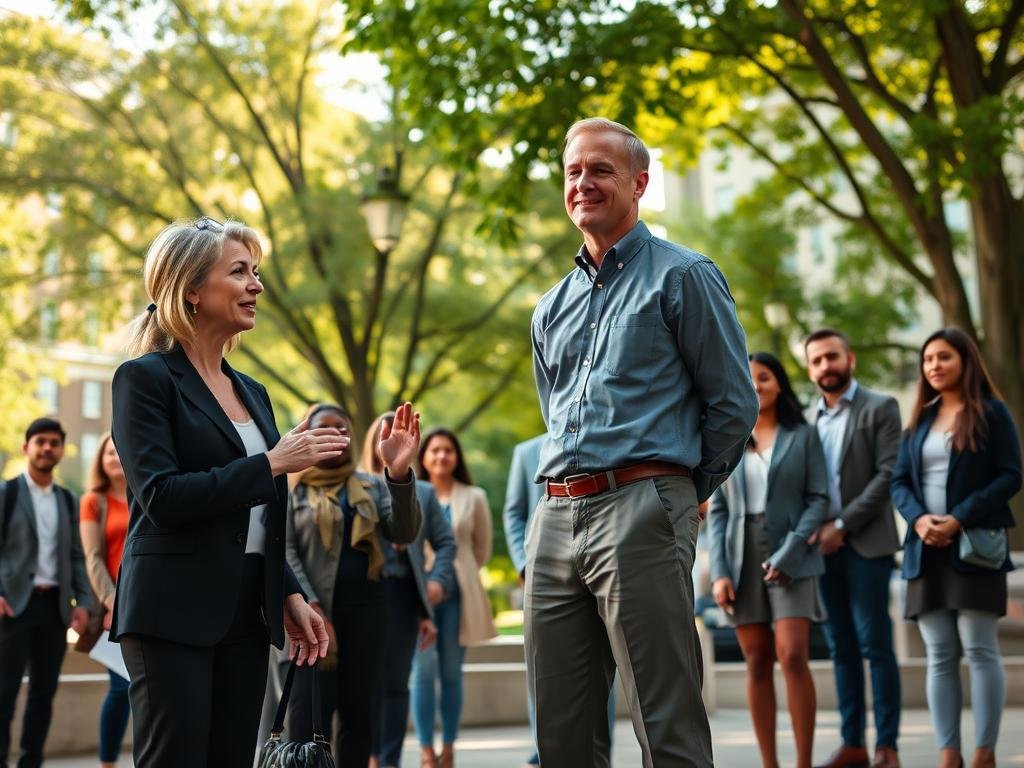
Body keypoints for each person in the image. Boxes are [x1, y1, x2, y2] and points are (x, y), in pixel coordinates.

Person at [528, 117, 758, 768]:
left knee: (666, 721)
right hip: (554, 514)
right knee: (560, 732)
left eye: (601, 170)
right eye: (573, 172)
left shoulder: (684, 275)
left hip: (643, 506)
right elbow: (555, 414)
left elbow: (734, 404)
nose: (583, 183)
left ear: (640, 183)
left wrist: (676, 493)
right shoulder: (550, 306)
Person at [110, 216, 343, 768]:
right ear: (191, 288)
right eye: (239, 272)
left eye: (255, 272)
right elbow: (161, 498)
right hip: (172, 609)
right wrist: (271, 463)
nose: (256, 286)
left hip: (246, 609)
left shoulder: (254, 392)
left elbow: (256, 518)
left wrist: (287, 592)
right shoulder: (144, 380)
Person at [891, 328, 1021, 768]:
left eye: (943, 357)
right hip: (925, 548)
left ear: (965, 360)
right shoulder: (920, 419)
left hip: (974, 546)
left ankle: (984, 752)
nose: (934, 366)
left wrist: (959, 516)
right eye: (928, 359)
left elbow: (1010, 475)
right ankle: (950, 754)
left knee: (980, 647)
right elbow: (899, 482)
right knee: (940, 654)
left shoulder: (992, 412)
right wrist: (921, 519)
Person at [281, 402, 422, 766]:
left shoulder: (372, 486)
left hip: (368, 617)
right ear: (308, 435)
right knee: (307, 722)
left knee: (359, 720)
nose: (337, 435)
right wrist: (309, 605)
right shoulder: (291, 489)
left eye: (343, 429)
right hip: (309, 619)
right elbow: (284, 550)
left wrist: (400, 470)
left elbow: (404, 531)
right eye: (325, 428)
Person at [708, 352, 829, 768]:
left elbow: (819, 498)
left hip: (795, 553)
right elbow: (719, 511)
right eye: (749, 377)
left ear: (779, 383)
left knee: (792, 653)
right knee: (757, 659)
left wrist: (792, 550)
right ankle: (770, 764)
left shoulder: (804, 435)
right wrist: (720, 572)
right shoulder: (728, 438)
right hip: (741, 555)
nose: (756, 384)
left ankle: (803, 763)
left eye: (764, 377)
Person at [803, 328, 903, 768]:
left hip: (866, 544)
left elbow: (887, 475)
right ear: (810, 370)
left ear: (850, 358)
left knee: (875, 644)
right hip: (821, 551)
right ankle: (852, 745)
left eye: (832, 356)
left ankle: (887, 746)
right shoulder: (806, 420)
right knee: (840, 647)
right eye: (817, 360)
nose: (826, 365)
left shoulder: (881, 407)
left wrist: (841, 525)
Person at [503, 433, 616, 767]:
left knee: (601, 665)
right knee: (544, 669)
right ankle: (545, 748)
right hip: (543, 568)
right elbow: (513, 514)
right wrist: (525, 565)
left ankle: (601, 752)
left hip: (601, 562)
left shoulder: (600, 437)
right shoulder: (524, 451)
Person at [362, 412, 457, 768]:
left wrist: (437, 582)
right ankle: (364, 755)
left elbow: (447, 543)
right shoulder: (353, 486)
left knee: (396, 683)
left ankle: (388, 760)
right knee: (363, 681)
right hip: (362, 596)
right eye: (384, 434)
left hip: (403, 596)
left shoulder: (427, 493)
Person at [0, 418, 91, 768]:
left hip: (54, 609)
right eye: (40, 442)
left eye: (54, 442)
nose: (47, 448)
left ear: (61, 450)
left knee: (43, 694)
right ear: (27, 447)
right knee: (4, 693)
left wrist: (82, 602)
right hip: (13, 608)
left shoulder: (68, 501)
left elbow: (76, 557)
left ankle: (31, 763)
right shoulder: (7, 495)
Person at [412, 428, 496, 768]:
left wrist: (455, 574)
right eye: (434, 450)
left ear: (457, 457)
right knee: (422, 671)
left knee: (450, 673)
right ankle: (425, 750)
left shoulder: (474, 496)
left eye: (448, 450)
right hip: (419, 594)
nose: (441, 456)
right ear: (424, 457)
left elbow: (482, 550)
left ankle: (448, 747)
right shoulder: (411, 492)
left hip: (459, 595)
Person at [78, 433, 130, 768]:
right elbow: (93, 558)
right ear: (100, 459)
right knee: (120, 688)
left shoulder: (145, 493)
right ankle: (108, 763)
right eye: (108, 452)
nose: (114, 457)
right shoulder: (92, 502)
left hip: (151, 602)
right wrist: (112, 601)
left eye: (119, 451)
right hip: (114, 608)